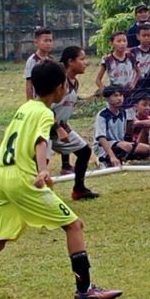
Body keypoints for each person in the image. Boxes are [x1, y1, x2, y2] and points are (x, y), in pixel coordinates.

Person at [0, 60, 122, 299]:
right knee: (74, 225)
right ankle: (85, 289)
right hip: (23, 179)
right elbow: (40, 140)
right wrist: (43, 169)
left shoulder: (25, 108)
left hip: (4, 177)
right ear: (60, 87)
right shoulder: (45, 113)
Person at [51, 46, 99, 200]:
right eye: (82, 59)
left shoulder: (74, 82)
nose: (86, 63)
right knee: (38, 164)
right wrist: (57, 127)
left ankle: (79, 190)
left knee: (84, 151)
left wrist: (62, 125)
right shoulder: (58, 82)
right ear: (71, 62)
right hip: (45, 128)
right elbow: (45, 108)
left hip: (60, 127)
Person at [93, 86, 149, 168]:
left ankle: (122, 158)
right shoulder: (103, 115)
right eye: (115, 96)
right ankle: (104, 158)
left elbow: (127, 132)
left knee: (148, 149)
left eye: (121, 95)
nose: (119, 98)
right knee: (127, 146)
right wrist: (112, 156)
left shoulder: (123, 113)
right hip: (103, 146)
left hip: (120, 144)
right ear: (107, 99)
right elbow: (101, 138)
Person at [96, 31, 140, 122]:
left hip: (129, 96)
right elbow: (98, 80)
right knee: (115, 120)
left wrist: (133, 83)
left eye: (124, 41)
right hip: (115, 96)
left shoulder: (131, 57)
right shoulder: (108, 60)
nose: (122, 43)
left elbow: (138, 72)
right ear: (111, 43)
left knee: (130, 122)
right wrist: (106, 93)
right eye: (119, 41)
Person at [24, 28, 54, 100]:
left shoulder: (51, 59)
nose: (48, 43)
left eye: (50, 40)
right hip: (38, 99)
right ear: (36, 42)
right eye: (45, 41)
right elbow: (29, 83)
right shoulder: (32, 60)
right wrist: (30, 101)